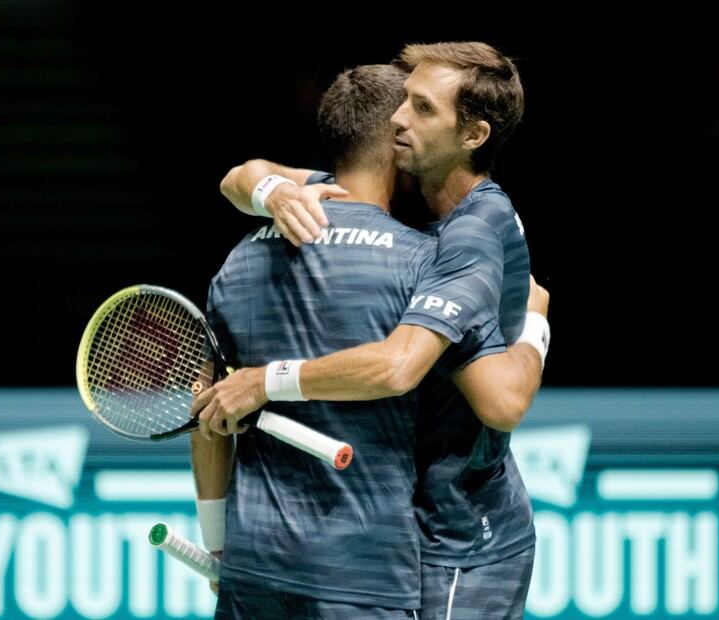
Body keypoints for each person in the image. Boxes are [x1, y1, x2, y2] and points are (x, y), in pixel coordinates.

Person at [198, 42, 543, 619]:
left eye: (423, 108)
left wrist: (536, 325)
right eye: (403, 102)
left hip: (464, 538)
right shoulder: (399, 190)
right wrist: (274, 193)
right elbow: (241, 176)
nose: (400, 119)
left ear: (473, 135)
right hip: (402, 531)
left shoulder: (471, 236)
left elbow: (493, 398)